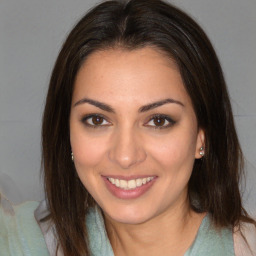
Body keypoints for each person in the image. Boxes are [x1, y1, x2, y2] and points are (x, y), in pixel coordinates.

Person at [1, 0, 256, 255]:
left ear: (202, 137)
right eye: (97, 120)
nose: (125, 156)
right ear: (66, 132)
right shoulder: (18, 243)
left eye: (158, 121)